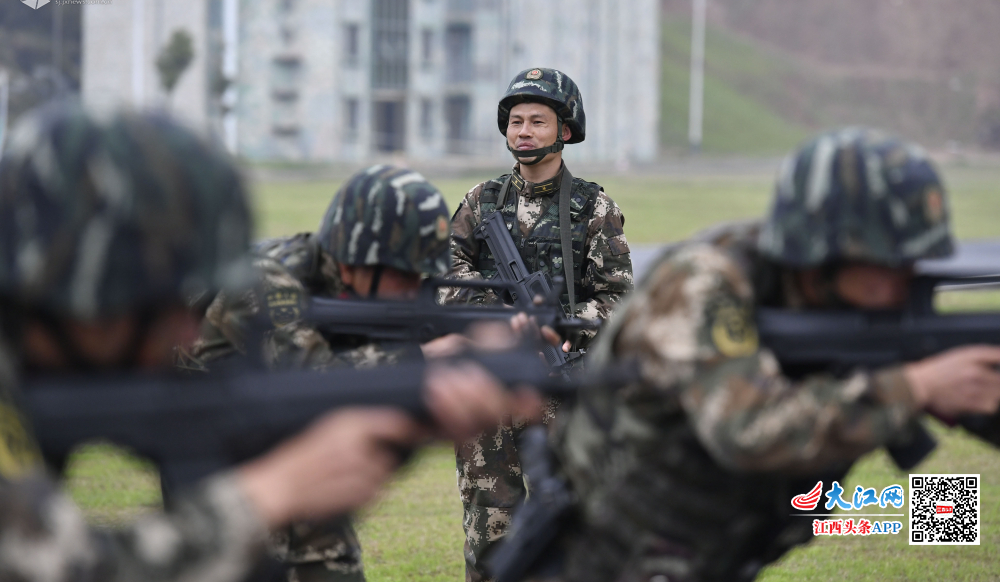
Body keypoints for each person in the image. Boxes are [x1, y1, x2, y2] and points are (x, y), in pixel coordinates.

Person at [0, 103, 540, 582]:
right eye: (164, 305)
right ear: (83, 288)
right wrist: (265, 496)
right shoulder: (269, 280)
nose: (190, 332)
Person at [537, 128, 1000, 582]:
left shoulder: (846, 309)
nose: (906, 279)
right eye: (889, 261)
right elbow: (747, 430)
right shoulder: (702, 283)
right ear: (826, 253)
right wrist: (915, 387)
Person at [179, 164, 461, 582]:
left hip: (287, 451)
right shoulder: (268, 279)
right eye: (403, 272)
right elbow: (309, 381)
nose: (411, 289)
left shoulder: (340, 284)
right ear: (356, 257)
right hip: (223, 467)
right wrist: (424, 358)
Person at [444, 68, 633, 581]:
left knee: (574, 525)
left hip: (564, 389)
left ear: (565, 131)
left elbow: (618, 300)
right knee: (490, 530)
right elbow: (444, 277)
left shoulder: (593, 207)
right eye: (516, 121)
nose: (523, 131)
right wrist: (501, 316)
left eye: (538, 122)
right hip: (492, 389)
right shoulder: (481, 201)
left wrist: (561, 325)